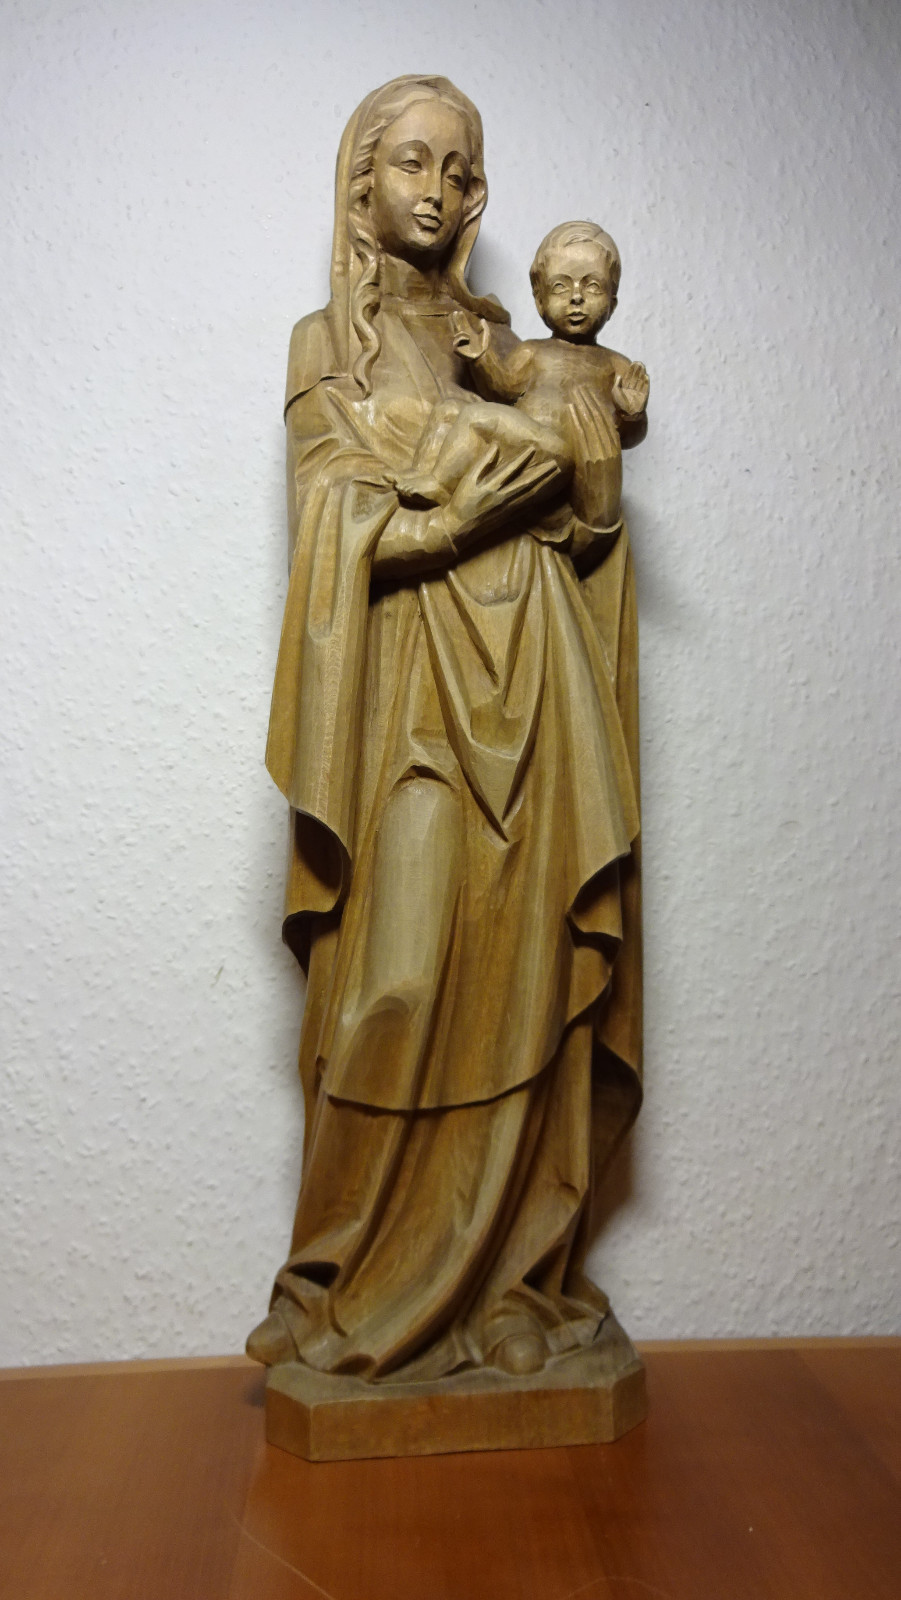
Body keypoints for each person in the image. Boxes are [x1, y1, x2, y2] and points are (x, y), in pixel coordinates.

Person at [246, 75, 644, 1384]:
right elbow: (334, 522)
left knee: (531, 976)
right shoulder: (326, 345)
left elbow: (587, 519)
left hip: (537, 674)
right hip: (410, 686)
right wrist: (472, 502)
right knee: (397, 979)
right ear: (361, 181)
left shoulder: (508, 340)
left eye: (458, 168)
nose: (437, 187)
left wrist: (572, 463)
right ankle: (341, 1277)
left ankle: (512, 1285)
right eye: (411, 161)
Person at [394, 220, 649, 532]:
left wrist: (632, 414)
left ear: (612, 303)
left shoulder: (615, 365)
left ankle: (440, 485)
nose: (576, 298)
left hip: (558, 456)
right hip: (523, 442)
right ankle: (419, 476)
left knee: (477, 417)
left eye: (592, 286)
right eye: (561, 286)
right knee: (449, 411)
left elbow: (628, 437)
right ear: (540, 301)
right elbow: (503, 388)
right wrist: (482, 358)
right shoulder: (532, 351)